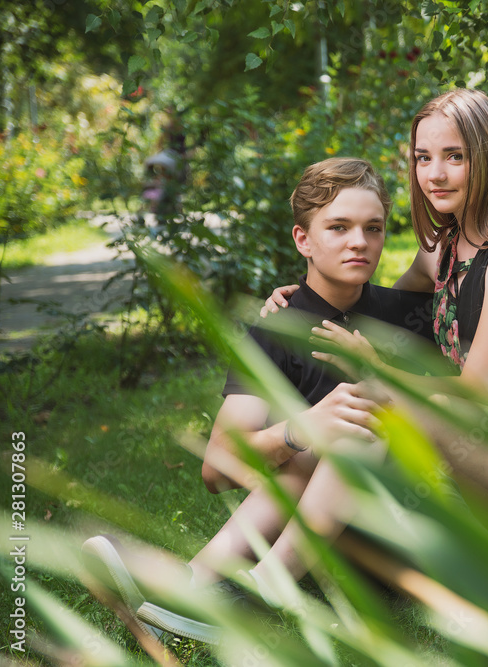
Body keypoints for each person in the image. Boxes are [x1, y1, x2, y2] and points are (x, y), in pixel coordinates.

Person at [82, 157, 433, 643]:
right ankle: (194, 590)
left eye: (373, 228)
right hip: (332, 546)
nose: (359, 242)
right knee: (308, 449)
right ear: (303, 239)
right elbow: (217, 469)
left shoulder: (412, 315)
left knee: (357, 422)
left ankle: (208, 587)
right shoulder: (274, 330)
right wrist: (302, 429)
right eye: (339, 227)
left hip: (410, 535)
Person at [265, 88, 488, 531]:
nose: (435, 174)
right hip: (480, 443)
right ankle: (233, 563)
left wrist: (378, 371)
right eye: (423, 158)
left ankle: (272, 566)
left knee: (390, 407)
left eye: (455, 156)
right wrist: (302, 298)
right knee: (348, 430)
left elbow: (478, 389)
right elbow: (377, 308)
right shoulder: (441, 250)